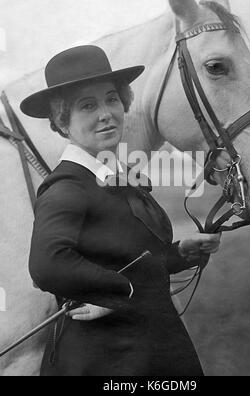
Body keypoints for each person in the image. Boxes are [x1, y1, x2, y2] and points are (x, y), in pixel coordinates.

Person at [20, 45, 221, 376]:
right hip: (105, 357)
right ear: (62, 120)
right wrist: (122, 291)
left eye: (111, 99)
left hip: (151, 344)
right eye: (87, 105)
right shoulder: (67, 187)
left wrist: (179, 253)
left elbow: (129, 261)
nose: (105, 113)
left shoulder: (113, 176)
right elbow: (47, 265)